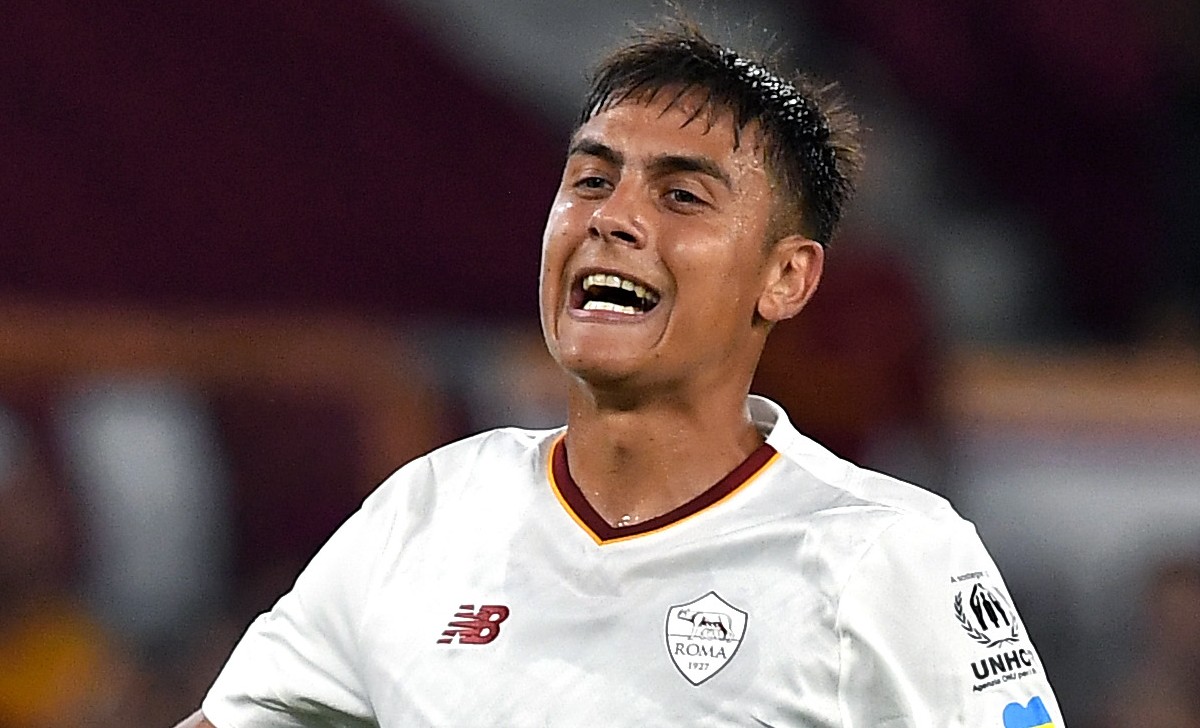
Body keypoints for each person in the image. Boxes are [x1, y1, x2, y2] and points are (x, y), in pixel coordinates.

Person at [173, 20, 1064, 727]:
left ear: (786, 277)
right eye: (591, 181)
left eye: (681, 196)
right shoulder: (428, 510)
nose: (613, 219)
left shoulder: (888, 553)